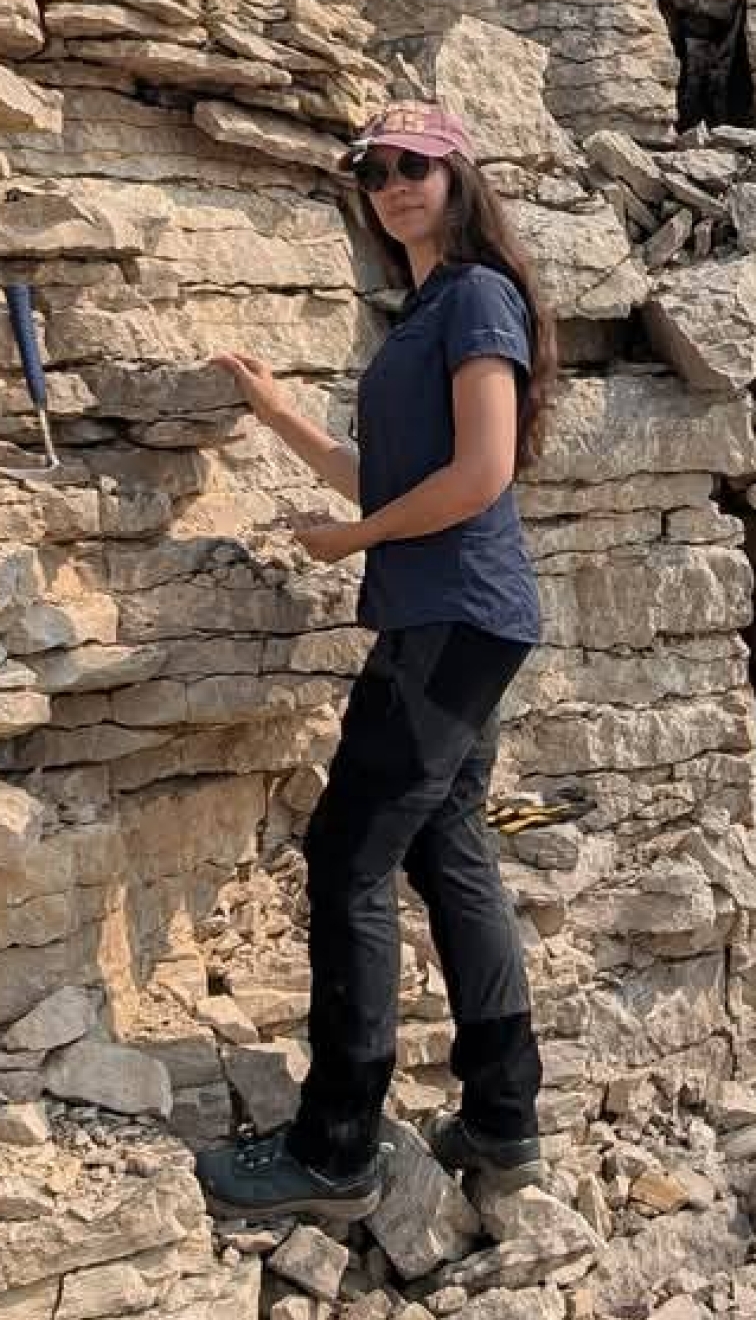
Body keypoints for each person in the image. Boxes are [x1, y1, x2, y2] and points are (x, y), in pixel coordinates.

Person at [196, 102, 558, 1221]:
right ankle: (502, 1119)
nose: (395, 183)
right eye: (376, 170)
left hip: (450, 618)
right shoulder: (426, 311)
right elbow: (387, 481)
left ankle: (335, 1147)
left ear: (459, 179)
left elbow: (482, 473)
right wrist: (277, 417)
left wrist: (352, 545)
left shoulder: (479, 297)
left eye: (417, 166)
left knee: (348, 855)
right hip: (455, 617)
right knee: (449, 847)